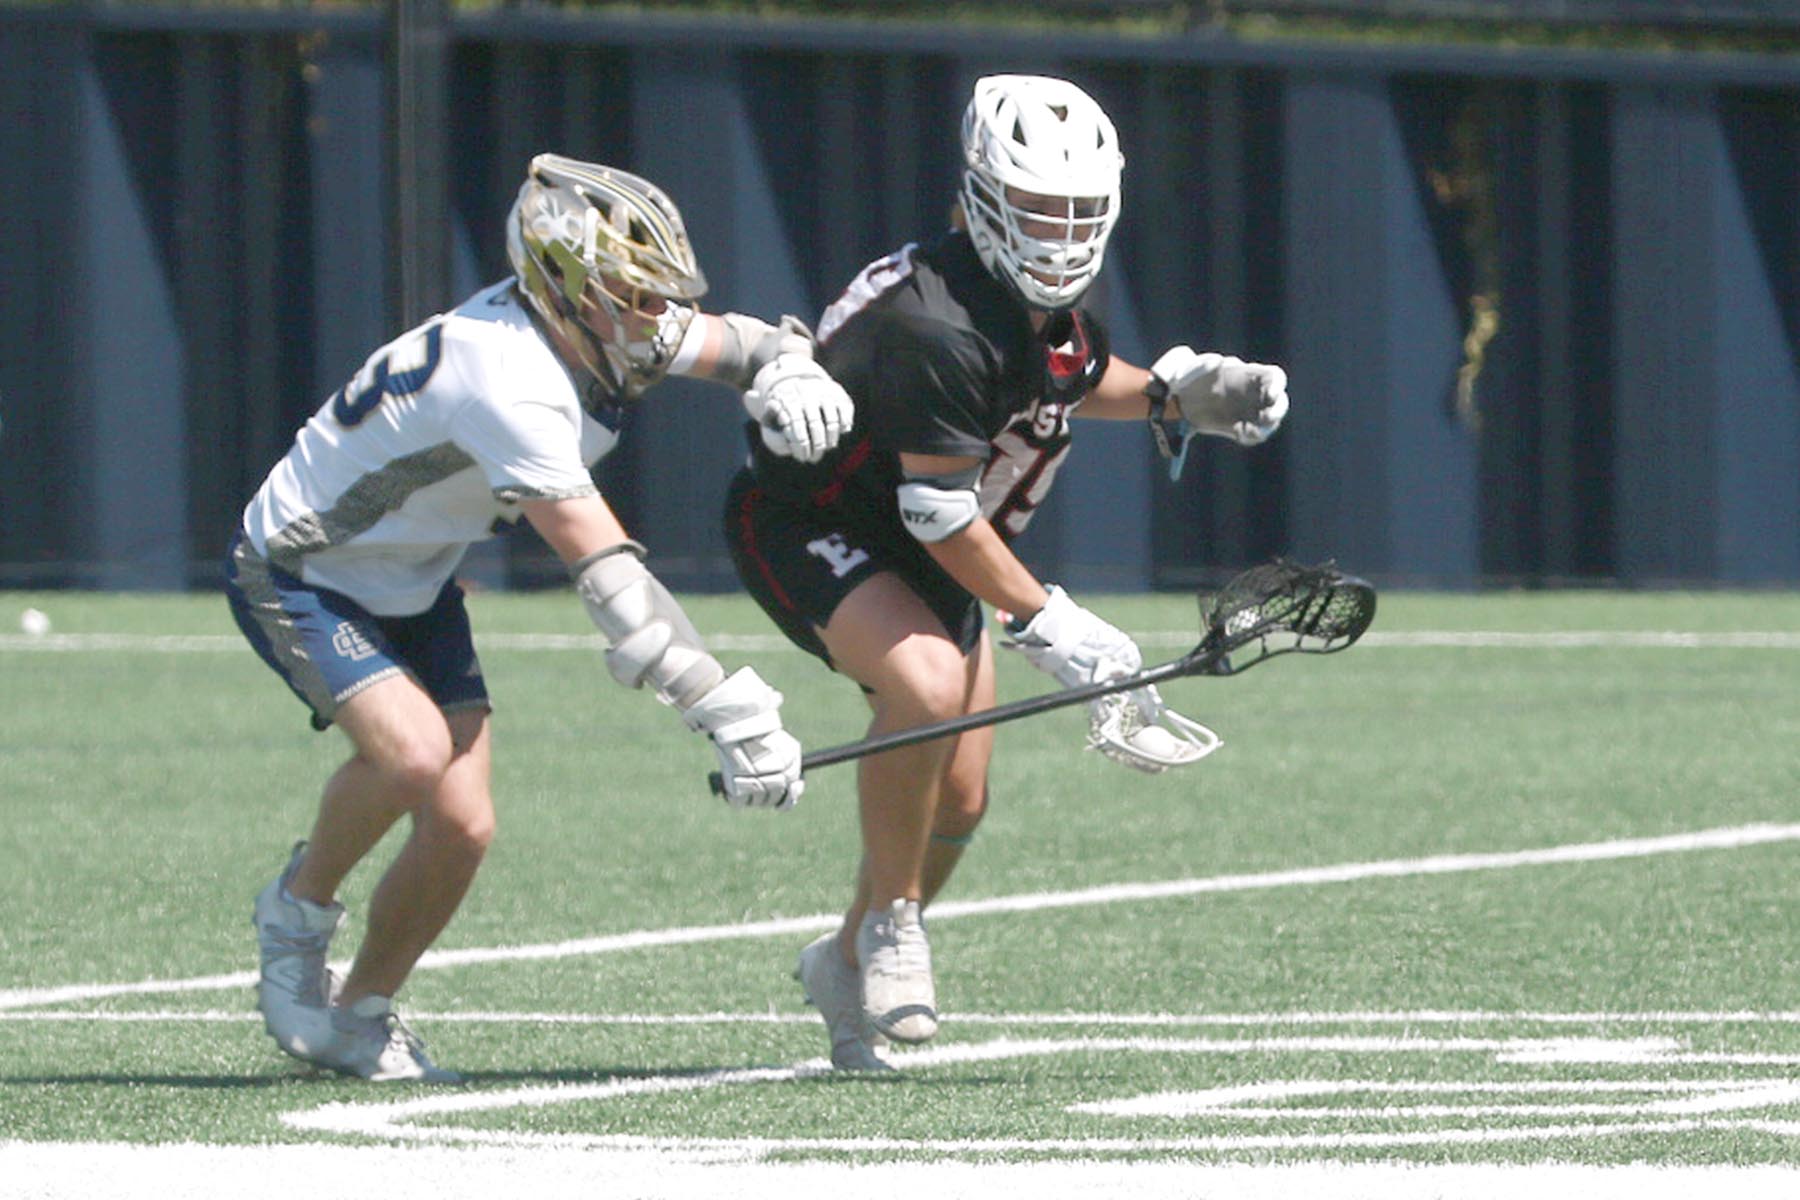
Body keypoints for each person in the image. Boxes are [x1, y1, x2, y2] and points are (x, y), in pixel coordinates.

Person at [225, 153, 854, 1082]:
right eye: (632, 295)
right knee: (411, 754)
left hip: (415, 575)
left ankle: (361, 1012)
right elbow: (615, 588)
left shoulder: (592, 323)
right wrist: (726, 710)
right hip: (306, 568)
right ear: (568, 289)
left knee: (463, 825)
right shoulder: (509, 382)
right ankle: (295, 914)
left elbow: (751, 343)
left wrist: (791, 370)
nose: (655, 317)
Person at [722, 75, 1289, 1071]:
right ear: (983, 197)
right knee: (926, 687)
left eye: (1079, 209)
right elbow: (939, 513)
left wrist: (1175, 395)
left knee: (961, 799)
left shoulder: (1032, 304)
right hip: (814, 518)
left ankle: (844, 959)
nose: (1060, 231)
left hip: (924, 538)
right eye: (1036, 204)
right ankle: (892, 924)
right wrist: (1053, 625)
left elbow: (1065, 381)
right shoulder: (937, 322)